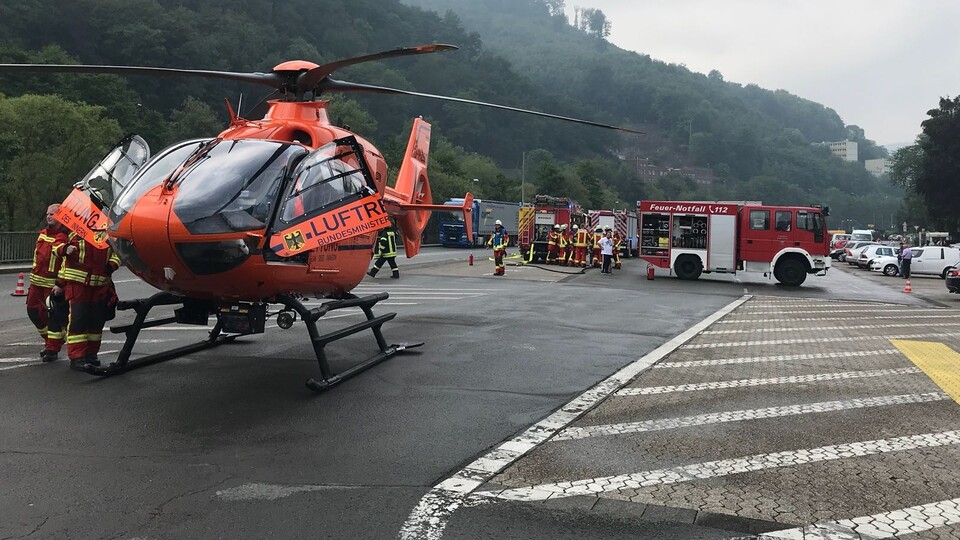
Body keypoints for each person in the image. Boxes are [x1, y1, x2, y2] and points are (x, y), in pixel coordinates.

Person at [56, 232, 121, 370]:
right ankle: (77, 357)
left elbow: (118, 251)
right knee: (78, 321)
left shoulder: (107, 231)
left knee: (96, 322)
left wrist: (111, 265)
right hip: (78, 285)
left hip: (100, 285)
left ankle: (91, 354)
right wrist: (65, 248)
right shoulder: (71, 229)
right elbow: (57, 249)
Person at [25, 204, 69, 362]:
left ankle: (52, 348)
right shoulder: (43, 234)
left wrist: (60, 283)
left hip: (52, 285)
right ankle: (51, 342)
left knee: (54, 318)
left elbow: (66, 263)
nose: (49, 216)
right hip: (36, 283)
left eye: (52, 214)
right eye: (47, 214)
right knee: (33, 312)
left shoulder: (64, 237)